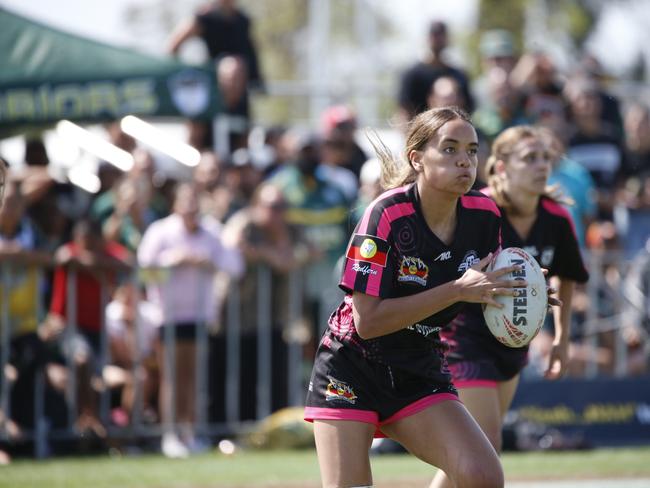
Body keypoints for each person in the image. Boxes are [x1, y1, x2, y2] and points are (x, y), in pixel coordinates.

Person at [304, 107, 528, 488]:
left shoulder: (485, 216)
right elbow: (368, 321)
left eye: (472, 151)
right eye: (450, 149)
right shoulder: (386, 215)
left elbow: (484, 289)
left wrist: (522, 296)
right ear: (417, 159)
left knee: (483, 476)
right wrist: (458, 289)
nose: (465, 160)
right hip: (351, 366)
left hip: (418, 364)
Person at [433, 125, 589, 487]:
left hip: (513, 338)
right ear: (501, 167)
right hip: (465, 338)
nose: (541, 166)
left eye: (545, 158)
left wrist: (562, 337)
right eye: (529, 158)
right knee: (487, 445)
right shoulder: (479, 210)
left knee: (474, 452)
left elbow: (566, 275)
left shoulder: (556, 217)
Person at [397, 21, 474, 122]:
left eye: (441, 35)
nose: (438, 39)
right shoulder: (412, 75)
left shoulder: (459, 75)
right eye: (434, 34)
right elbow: (405, 111)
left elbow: (468, 109)